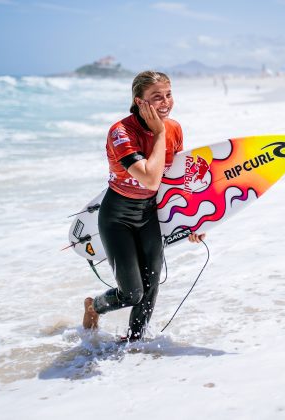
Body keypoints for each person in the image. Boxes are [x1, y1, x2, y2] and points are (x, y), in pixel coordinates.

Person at [83, 71, 206, 340]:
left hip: (150, 213)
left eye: (168, 95)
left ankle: (133, 344)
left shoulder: (174, 128)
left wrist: (193, 222)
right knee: (131, 293)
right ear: (139, 102)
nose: (165, 103)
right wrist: (160, 133)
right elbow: (151, 179)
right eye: (156, 97)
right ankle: (94, 306)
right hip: (118, 217)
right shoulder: (121, 132)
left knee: (151, 286)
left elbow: (177, 180)